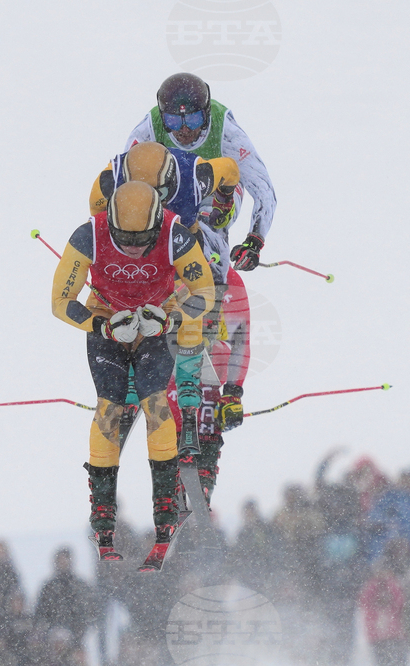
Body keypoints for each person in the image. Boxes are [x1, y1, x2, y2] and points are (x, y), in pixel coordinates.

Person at [51, 181, 215, 560]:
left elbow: (204, 293)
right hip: (109, 319)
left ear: (158, 223)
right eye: (124, 239)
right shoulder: (88, 234)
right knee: (109, 408)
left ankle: (165, 506)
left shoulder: (175, 234)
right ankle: (103, 512)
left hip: (154, 322)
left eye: (143, 240)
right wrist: (102, 326)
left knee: (155, 402)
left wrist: (171, 318)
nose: (134, 249)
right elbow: (60, 301)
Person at [125, 72, 278, 428]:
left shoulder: (226, 131)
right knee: (153, 216)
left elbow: (264, 189)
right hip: (169, 191)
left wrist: (256, 238)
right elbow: (118, 179)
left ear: (206, 114)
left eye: (193, 119)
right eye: (174, 121)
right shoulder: (148, 129)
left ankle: (211, 289)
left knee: (207, 220)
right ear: (162, 116)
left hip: (219, 193)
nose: (185, 130)